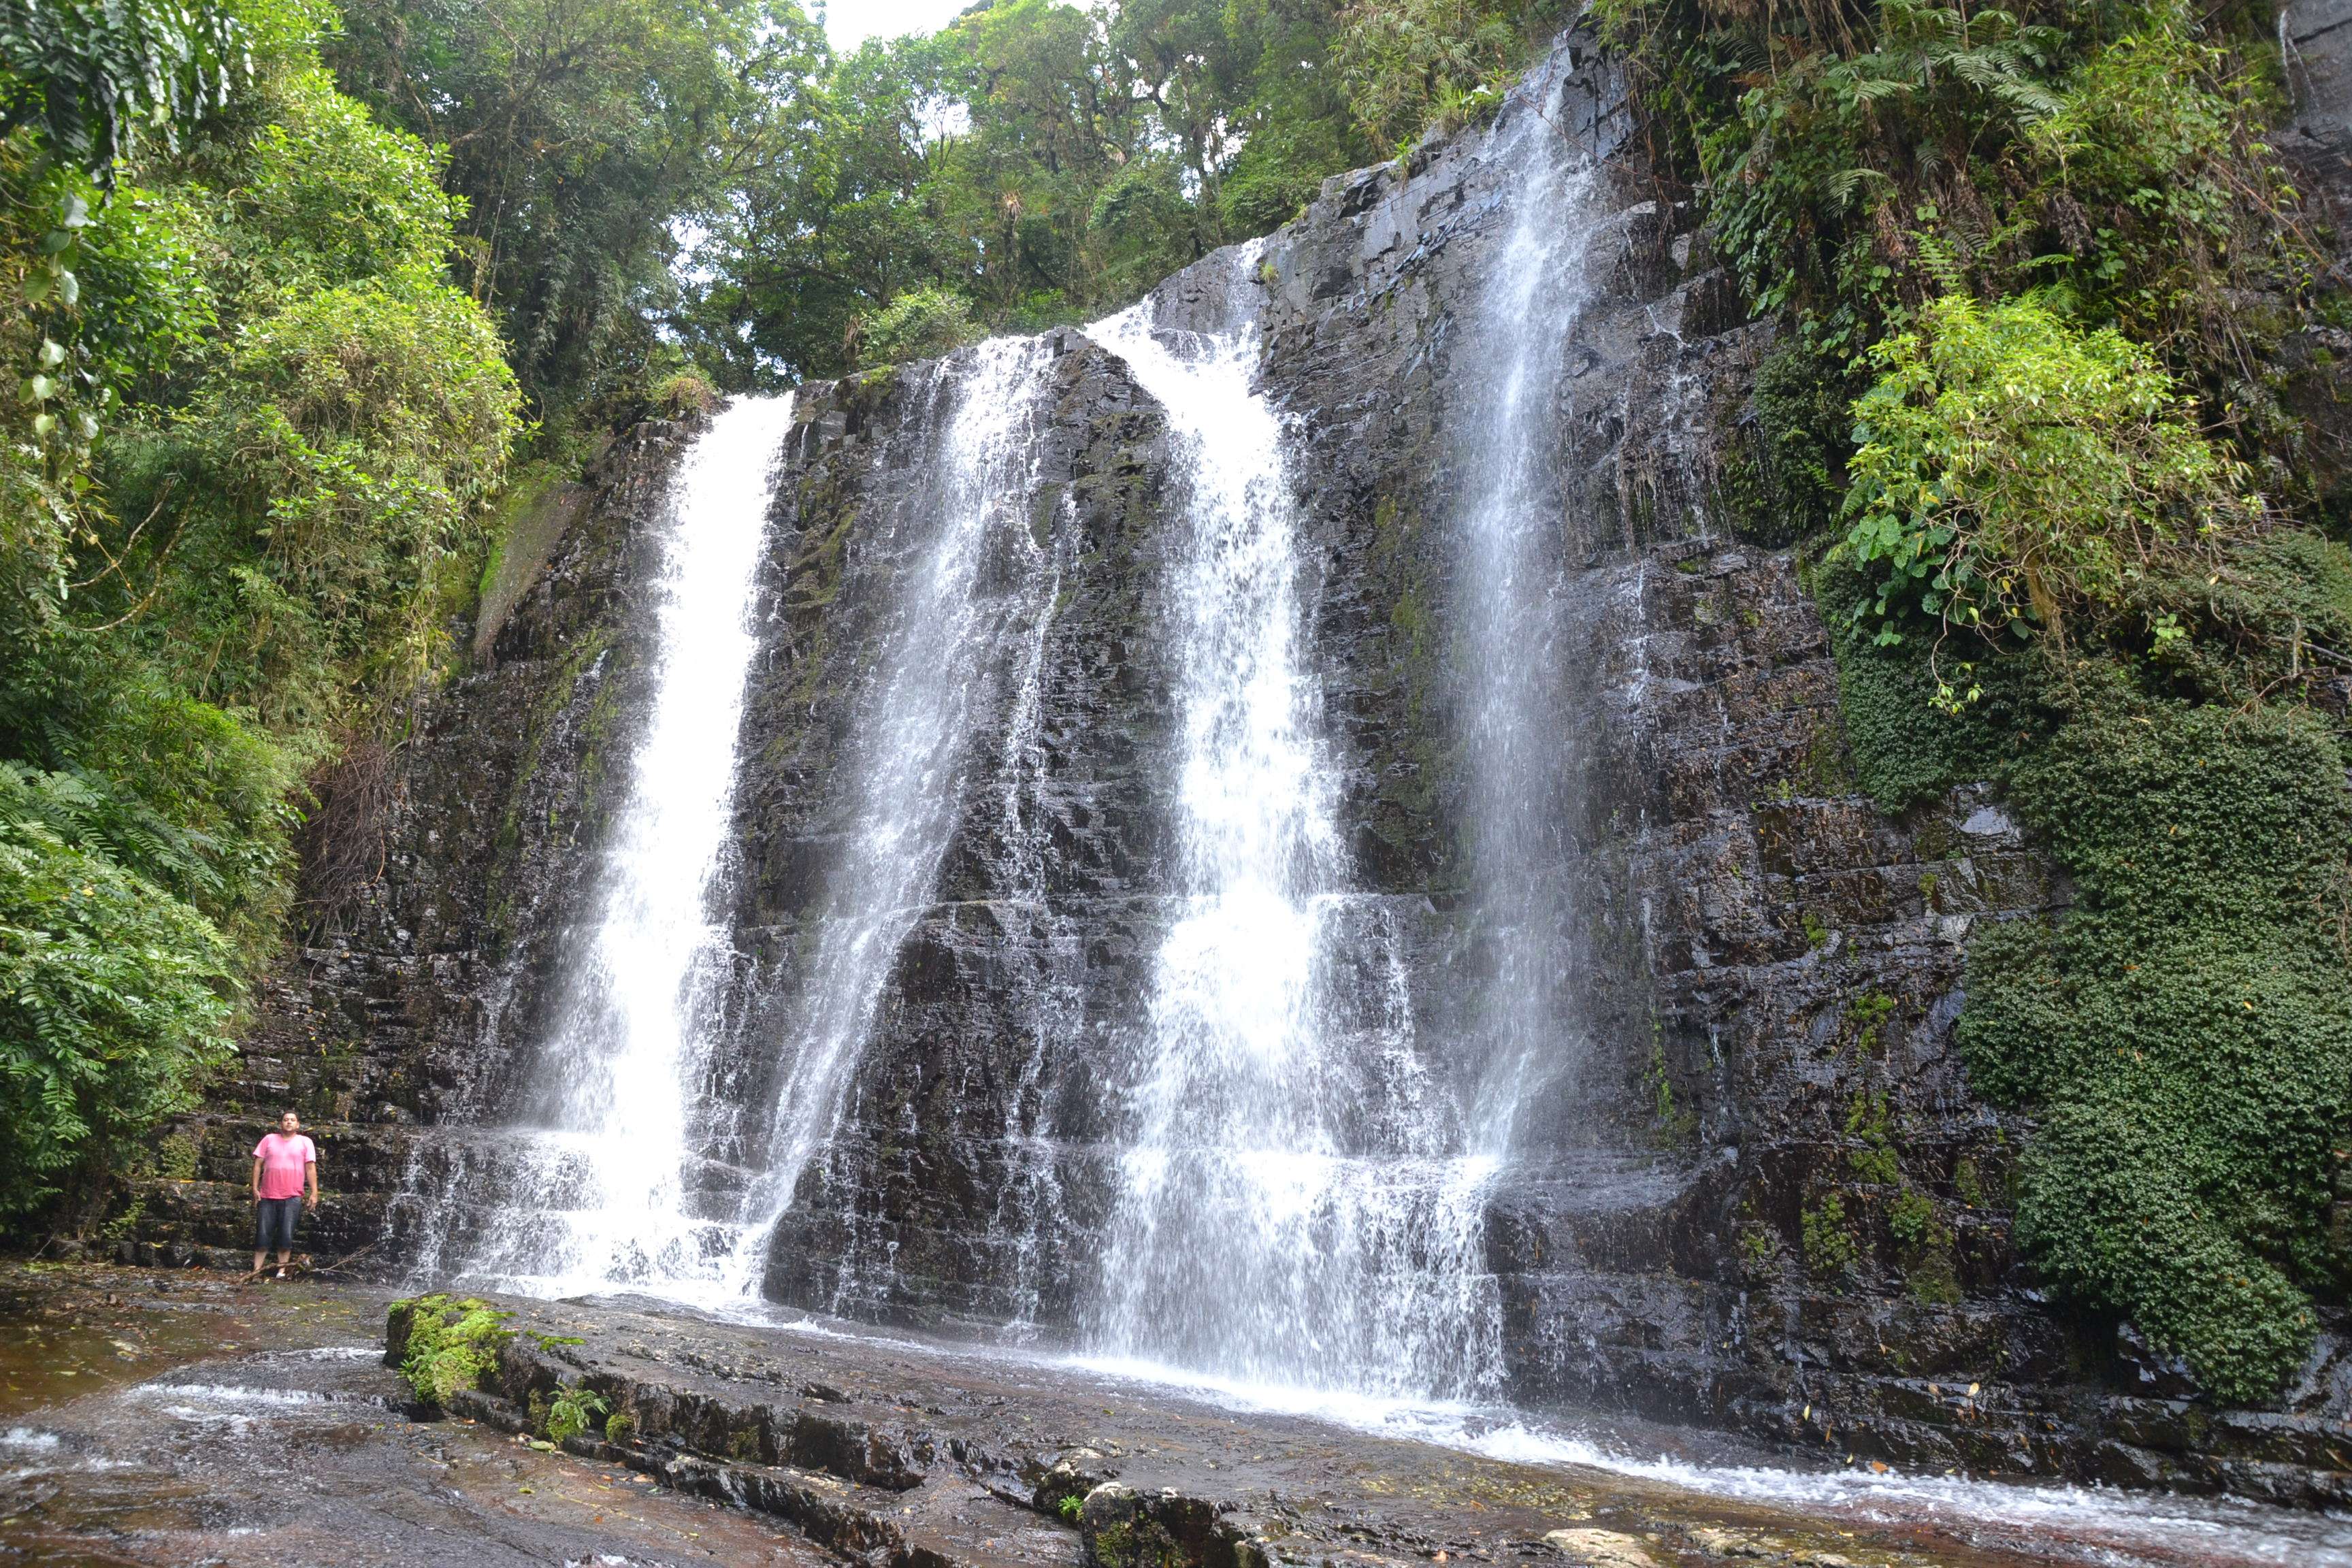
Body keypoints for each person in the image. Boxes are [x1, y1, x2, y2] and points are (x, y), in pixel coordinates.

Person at [250, 1111, 319, 1279]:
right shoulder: (269, 1140)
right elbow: (258, 1165)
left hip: (292, 1196)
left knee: (286, 1235)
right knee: (262, 1235)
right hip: (267, 1195)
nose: (289, 1122)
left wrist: (314, 1192)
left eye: (292, 1120)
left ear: (297, 1125)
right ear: (281, 1123)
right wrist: (254, 1188)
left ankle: (281, 1271)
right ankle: (256, 1270)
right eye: (286, 1120)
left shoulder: (305, 1142)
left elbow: (310, 1168)